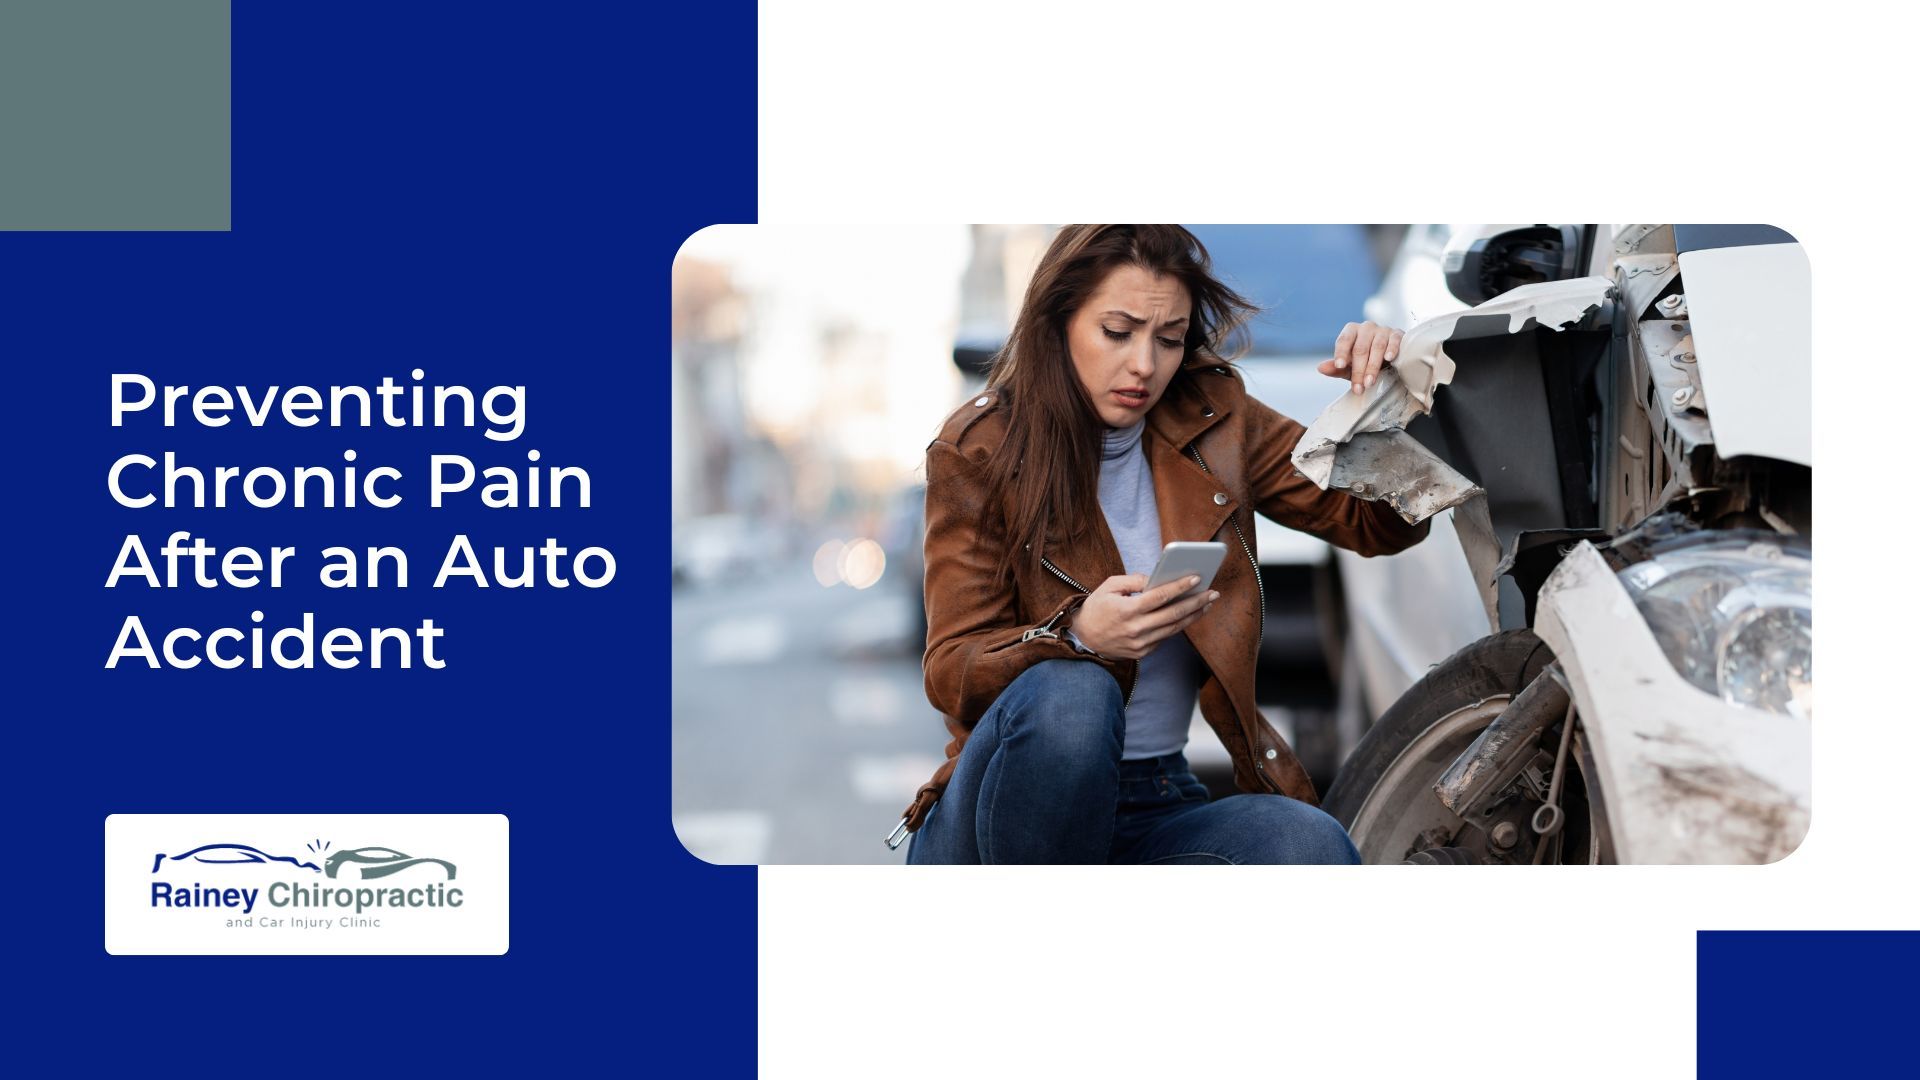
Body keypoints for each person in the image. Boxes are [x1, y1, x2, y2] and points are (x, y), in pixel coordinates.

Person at [898, 224, 1430, 865]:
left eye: (1169, 339)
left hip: (1156, 797)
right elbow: (951, 669)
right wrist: (1077, 637)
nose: (1145, 365)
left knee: (1306, 844)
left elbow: (1377, 525)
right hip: (1002, 810)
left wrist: (1384, 402)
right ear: (1059, 323)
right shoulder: (979, 447)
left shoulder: (1213, 416)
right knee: (1075, 696)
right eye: (1117, 334)